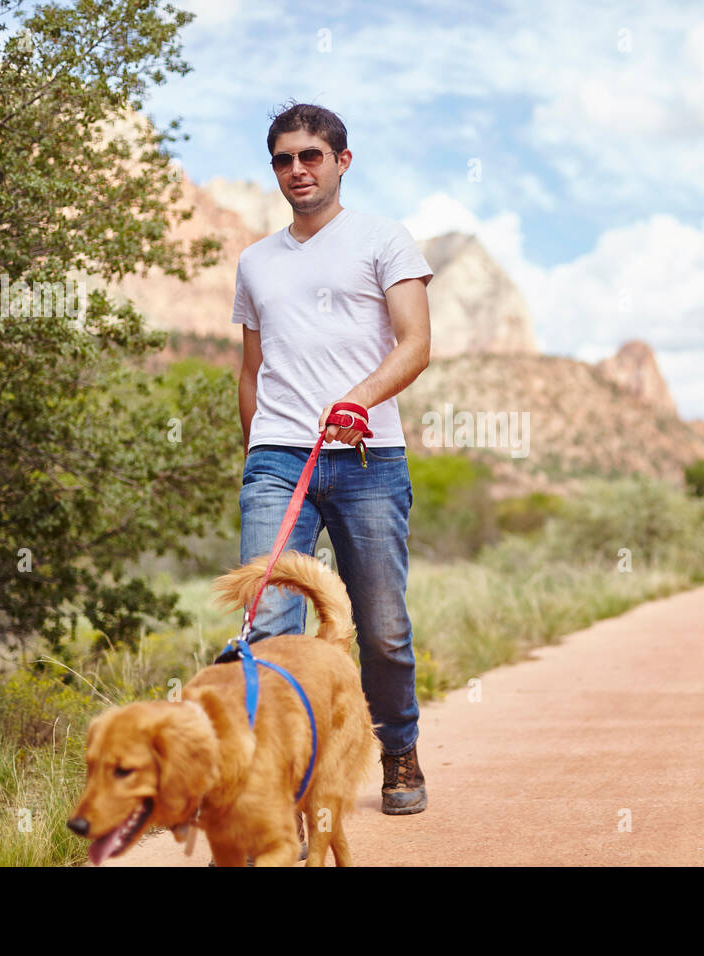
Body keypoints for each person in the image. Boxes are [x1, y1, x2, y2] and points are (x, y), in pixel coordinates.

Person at [227, 101, 432, 815]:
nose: (296, 170)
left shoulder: (384, 239)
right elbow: (251, 370)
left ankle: (398, 747)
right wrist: (255, 455)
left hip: (370, 460)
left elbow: (415, 344)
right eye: (283, 159)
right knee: (269, 626)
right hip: (280, 461)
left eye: (310, 155)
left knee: (380, 628)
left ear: (342, 161)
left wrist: (357, 399)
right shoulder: (255, 261)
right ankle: (283, 784)